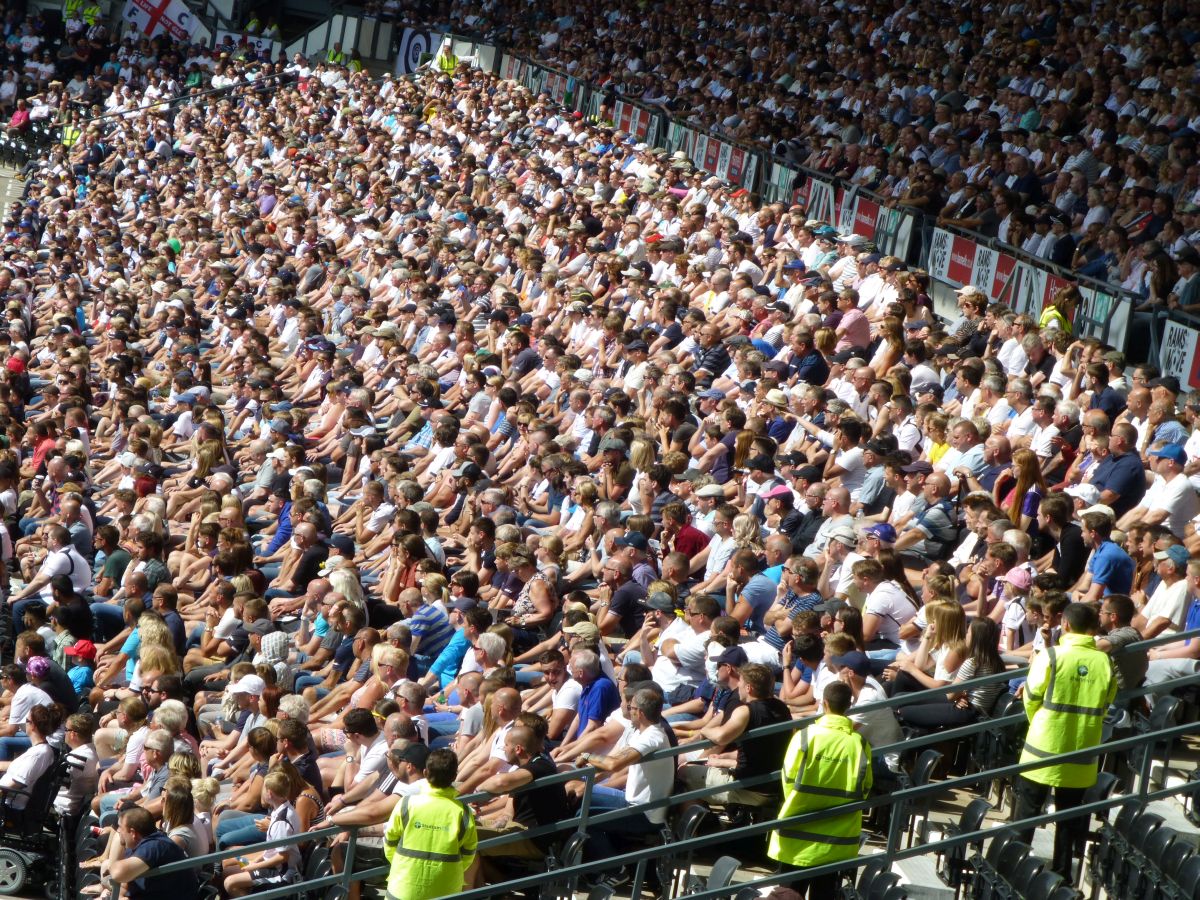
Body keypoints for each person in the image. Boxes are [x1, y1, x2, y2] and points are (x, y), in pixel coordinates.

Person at [1013, 602, 1116, 878]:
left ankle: (1015, 868)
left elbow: (1032, 696)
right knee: (1069, 819)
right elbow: (1107, 703)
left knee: (1027, 814)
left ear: (1066, 625)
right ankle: (1062, 876)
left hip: (1042, 748)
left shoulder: (1051, 655)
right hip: (1083, 752)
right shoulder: (1105, 661)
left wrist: (1041, 723)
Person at [767, 681, 871, 898]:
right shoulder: (859, 744)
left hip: (796, 835)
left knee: (787, 895)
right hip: (836, 842)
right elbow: (865, 787)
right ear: (848, 705)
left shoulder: (805, 736)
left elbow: (788, 779)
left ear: (824, 703)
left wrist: (800, 803)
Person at [382, 748, 477, 900]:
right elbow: (468, 853)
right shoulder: (463, 812)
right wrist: (449, 871)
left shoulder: (406, 803)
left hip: (402, 887)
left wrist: (402, 864)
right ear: (454, 776)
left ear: (425, 773)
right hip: (445, 889)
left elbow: (390, 841)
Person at [106, 806, 200, 900]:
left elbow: (117, 873)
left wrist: (112, 865)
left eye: (120, 827)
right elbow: (124, 886)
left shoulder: (155, 846)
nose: (118, 830)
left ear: (132, 833)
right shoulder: (136, 845)